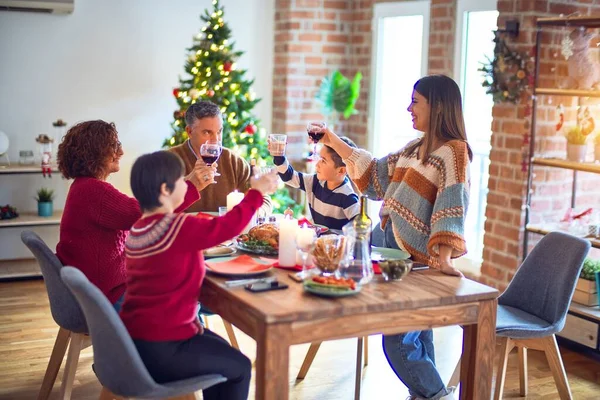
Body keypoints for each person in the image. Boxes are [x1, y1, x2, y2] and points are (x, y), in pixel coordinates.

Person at [320, 74, 472, 400]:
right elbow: (375, 175)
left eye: (416, 102)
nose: (409, 108)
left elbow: (452, 203)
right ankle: (423, 394)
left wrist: (442, 258)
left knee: (398, 342)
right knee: (415, 337)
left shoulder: (453, 152)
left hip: (410, 259)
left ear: (438, 107)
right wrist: (332, 140)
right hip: (384, 244)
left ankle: (435, 395)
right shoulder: (415, 149)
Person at [120, 151, 278, 400]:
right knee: (240, 368)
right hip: (166, 347)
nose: (187, 183)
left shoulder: (138, 229)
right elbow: (228, 227)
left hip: (135, 342)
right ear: (165, 189)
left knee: (224, 353)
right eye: (182, 180)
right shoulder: (177, 227)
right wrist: (257, 192)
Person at [56, 120, 212, 311]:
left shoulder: (84, 187)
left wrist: (186, 182)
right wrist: (192, 186)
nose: (120, 152)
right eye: (114, 146)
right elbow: (142, 213)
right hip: (105, 297)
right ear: (95, 151)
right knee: (188, 292)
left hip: (98, 289)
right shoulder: (93, 191)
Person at [169, 101, 272, 214]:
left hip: (227, 231)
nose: (216, 140)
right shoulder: (168, 161)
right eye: (207, 132)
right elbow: (155, 208)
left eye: (219, 131)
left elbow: (264, 199)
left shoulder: (234, 162)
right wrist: (189, 184)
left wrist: (256, 213)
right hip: (186, 230)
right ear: (189, 131)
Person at [268, 136, 360, 230]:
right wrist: (278, 156)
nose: (317, 164)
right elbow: (289, 176)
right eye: (320, 158)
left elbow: (360, 228)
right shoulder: (315, 181)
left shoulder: (348, 198)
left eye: (323, 161)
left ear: (341, 171)